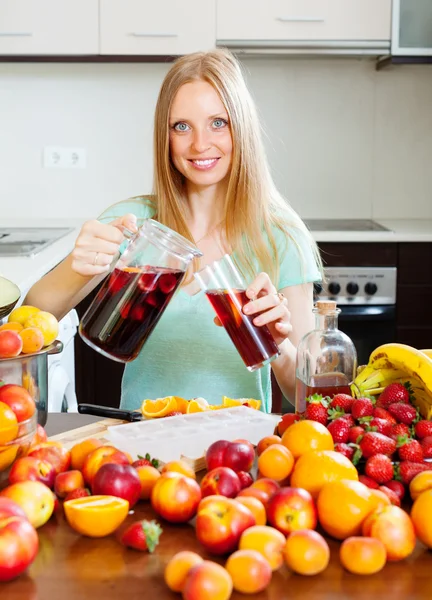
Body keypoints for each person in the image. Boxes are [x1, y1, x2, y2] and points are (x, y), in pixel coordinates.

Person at [25, 48, 322, 413]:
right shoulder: (132, 223)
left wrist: (278, 346)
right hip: (142, 451)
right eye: (182, 126)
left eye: (219, 123)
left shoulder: (283, 237)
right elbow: (33, 319)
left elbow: (310, 397)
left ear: (241, 128)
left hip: (235, 458)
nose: (200, 144)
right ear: (165, 136)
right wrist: (76, 265)